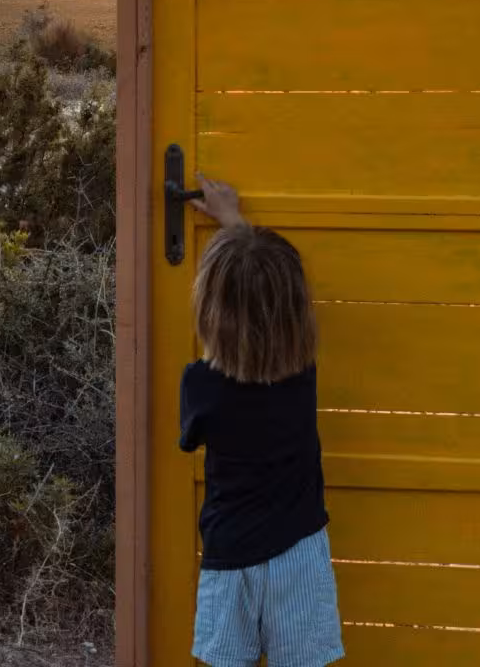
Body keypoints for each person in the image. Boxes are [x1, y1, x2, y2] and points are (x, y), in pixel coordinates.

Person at [180, 175, 344, 667]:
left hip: (232, 559)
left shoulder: (201, 386)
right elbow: (271, 302)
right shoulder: (302, 375)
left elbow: (192, 436)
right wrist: (235, 220)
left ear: (211, 313)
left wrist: (228, 225)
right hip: (299, 553)